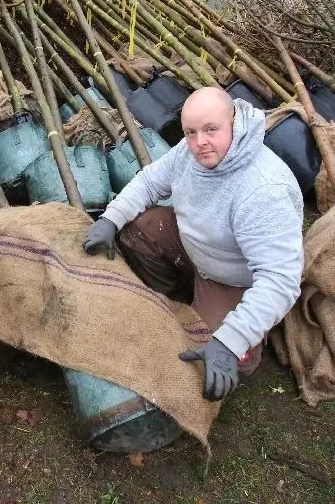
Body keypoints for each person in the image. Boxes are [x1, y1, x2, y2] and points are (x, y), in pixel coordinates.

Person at [83, 87, 304, 401]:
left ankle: (237, 331)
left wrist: (231, 342)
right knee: (140, 228)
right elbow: (149, 181)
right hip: (195, 249)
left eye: (211, 130)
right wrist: (110, 219)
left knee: (222, 357)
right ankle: (180, 298)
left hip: (234, 280)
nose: (200, 142)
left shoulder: (263, 190)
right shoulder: (189, 152)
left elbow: (280, 279)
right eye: (190, 132)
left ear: (235, 122)